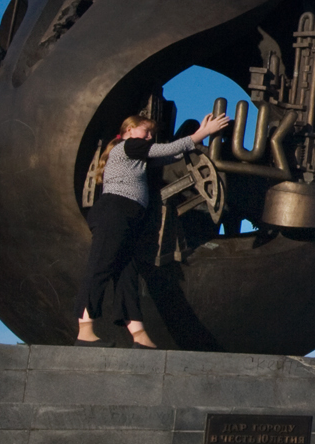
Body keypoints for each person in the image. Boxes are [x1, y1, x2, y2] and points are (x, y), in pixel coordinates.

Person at [75, 110, 229, 347]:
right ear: (130, 130)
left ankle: (139, 336)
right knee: (100, 267)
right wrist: (202, 133)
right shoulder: (128, 146)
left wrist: (196, 138)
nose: (149, 137)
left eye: (151, 134)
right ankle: (85, 332)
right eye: (146, 132)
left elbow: (171, 155)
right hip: (114, 212)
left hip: (126, 217)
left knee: (127, 275)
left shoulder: (136, 155)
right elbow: (165, 150)